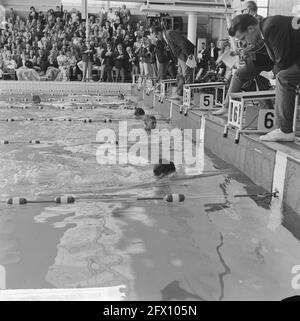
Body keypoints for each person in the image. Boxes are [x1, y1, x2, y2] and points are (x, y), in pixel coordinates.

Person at [226, 14, 300, 142]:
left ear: (251, 29)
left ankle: (284, 130)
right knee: (282, 76)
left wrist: (273, 70)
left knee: (284, 78)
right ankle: (283, 128)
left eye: (243, 38)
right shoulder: (265, 30)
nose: (244, 43)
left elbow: (282, 62)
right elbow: (276, 60)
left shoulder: (271, 26)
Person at [213, 11, 274, 116]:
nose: (244, 42)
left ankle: (271, 114)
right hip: (263, 60)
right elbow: (252, 46)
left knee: (255, 77)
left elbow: (257, 45)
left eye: (243, 38)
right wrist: (242, 52)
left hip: (274, 60)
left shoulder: (263, 27)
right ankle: (268, 113)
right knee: (241, 75)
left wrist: (246, 52)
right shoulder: (252, 30)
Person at [163, 29, 195, 99]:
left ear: (159, 32)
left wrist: (188, 53)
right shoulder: (167, 37)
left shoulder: (170, 33)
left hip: (185, 55)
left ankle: (189, 96)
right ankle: (179, 93)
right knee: (180, 74)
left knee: (187, 74)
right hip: (180, 56)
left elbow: (182, 42)